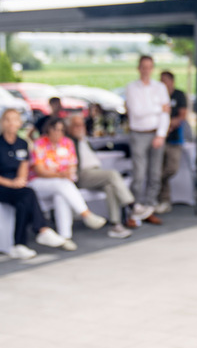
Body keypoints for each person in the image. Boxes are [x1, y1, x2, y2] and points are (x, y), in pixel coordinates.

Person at [0, 108, 67, 259]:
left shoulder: (22, 144)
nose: (11, 123)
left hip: (16, 188)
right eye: (7, 119)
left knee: (24, 199)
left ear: (20, 123)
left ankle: (19, 244)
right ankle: (41, 229)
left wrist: (20, 180)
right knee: (28, 194)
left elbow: (23, 168)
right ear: (2, 123)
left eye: (15, 119)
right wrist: (10, 183)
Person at [66, 115, 155, 239]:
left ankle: (115, 225)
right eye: (76, 125)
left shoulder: (83, 140)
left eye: (81, 125)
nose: (80, 128)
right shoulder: (70, 141)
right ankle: (133, 206)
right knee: (113, 174)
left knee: (110, 186)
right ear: (69, 128)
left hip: (95, 173)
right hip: (83, 175)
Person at [28, 117, 108, 250]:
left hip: (61, 183)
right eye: (56, 130)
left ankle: (65, 237)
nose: (59, 133)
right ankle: (86, 214)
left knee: (61, 196)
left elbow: (72, 165)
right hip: (39, 183)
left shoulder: (67, 143)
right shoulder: (39, 144)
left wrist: (65, 174)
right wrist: (60, 175)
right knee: (62, 185)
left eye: (61, 130)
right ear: (48, 130)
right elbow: (40, 170)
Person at [125, 55, 170, 220]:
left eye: (149, 66)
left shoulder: (160, 87)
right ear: (139, 68)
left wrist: (161, 134)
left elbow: (166, 114)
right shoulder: (131, 88)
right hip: (139, 133)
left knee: (155, 173)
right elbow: (136, 111)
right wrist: (158, 108)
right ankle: (135, 206)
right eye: (143, 66)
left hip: (156, 133)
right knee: (139, 174)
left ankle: (150, 206)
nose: (146, 70)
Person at [156, 70, 188, 214]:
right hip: (160, 139)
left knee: (170, 168)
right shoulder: (157, 96)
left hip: (175, 138)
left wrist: (167, 126)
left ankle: (155, 183)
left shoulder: (179, 95)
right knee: (159, 166)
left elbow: (182, 115)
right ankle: (164, 199)